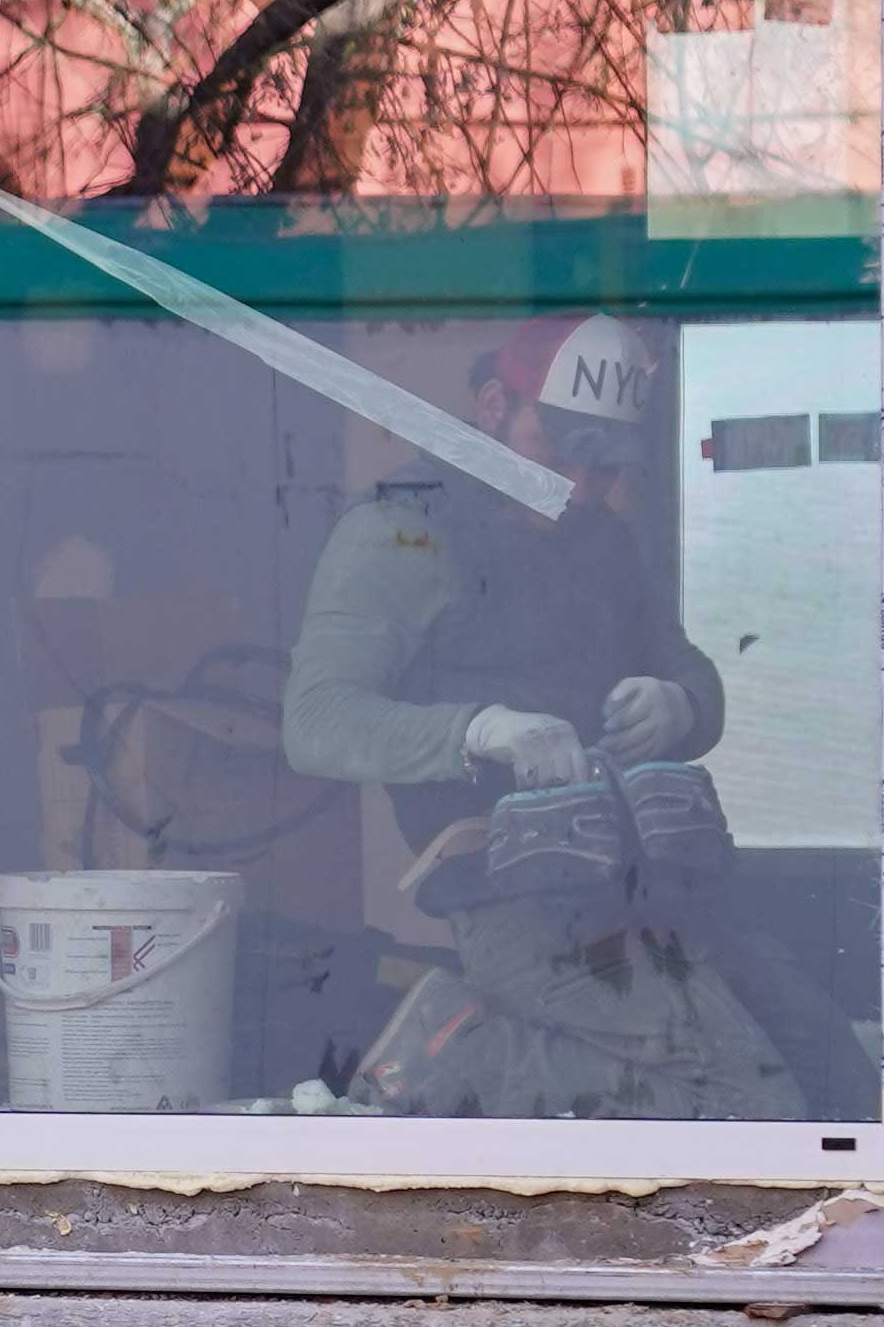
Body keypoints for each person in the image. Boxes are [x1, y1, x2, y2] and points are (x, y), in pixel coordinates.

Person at [281, 310, 810, 1119]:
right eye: (563, 451)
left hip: (641, 884)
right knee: (752, 1104)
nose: (581, 484)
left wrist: (683, 705)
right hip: (512, 894)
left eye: (603, 467)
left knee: (827, 1064)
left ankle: (473, 1052)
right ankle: (464, 1055)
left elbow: (689, 671)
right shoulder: (403, 531)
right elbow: (316, 720)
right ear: (493, 407)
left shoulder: (603, 540)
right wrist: (477, 730)